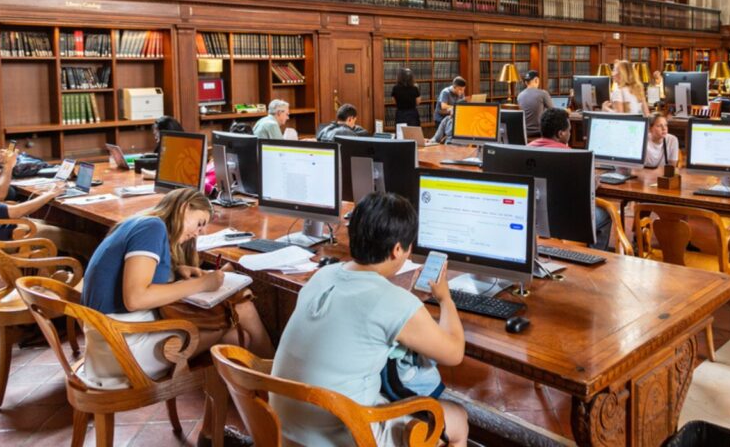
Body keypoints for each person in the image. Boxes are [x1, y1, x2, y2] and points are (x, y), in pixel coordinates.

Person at [271, 192, 468, 447]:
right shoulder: (393, 302)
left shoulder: (323, 275)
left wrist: (404, 300)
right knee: (457, 419)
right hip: (344, 433)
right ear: (398, 249)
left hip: (283, 428)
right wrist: (445, 300)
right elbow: (454, 353)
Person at [81, 188, 273, 389]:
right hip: (125, 352)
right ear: (184, 207)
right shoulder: (152, 227)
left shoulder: (138, 222)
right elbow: (135, 298)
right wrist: (201, 283)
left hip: (104, 350)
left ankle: (251, 394)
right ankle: (276, 386)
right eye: (199, 223)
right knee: (242, 308)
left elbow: (129, 277)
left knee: (237, 337)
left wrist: (175, 271)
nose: (196, 234)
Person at [529, 108, 612, 251]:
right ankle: (593, 255)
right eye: (569, 130)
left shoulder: (527, 149)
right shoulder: (570, 156)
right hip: (562, 220)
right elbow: (581, 192)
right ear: (561, 133)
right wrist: (593, 184)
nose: (570, 133)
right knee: (605, 215)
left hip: (534, 218)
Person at [517, 70, 554, 140]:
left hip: (524, 132)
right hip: (539, 133)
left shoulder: (519, 95)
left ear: (525, 82)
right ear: (536, 80)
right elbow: (553, 112)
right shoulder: (543, 93)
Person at [644, 113, 680, 177]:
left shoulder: (672, 140)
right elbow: (636, 169)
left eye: (665, 125)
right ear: (650, 129)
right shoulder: (642, 140)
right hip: (644, 177)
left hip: (663, 177)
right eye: (659, 126)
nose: (664, 128)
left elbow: (672, 168)